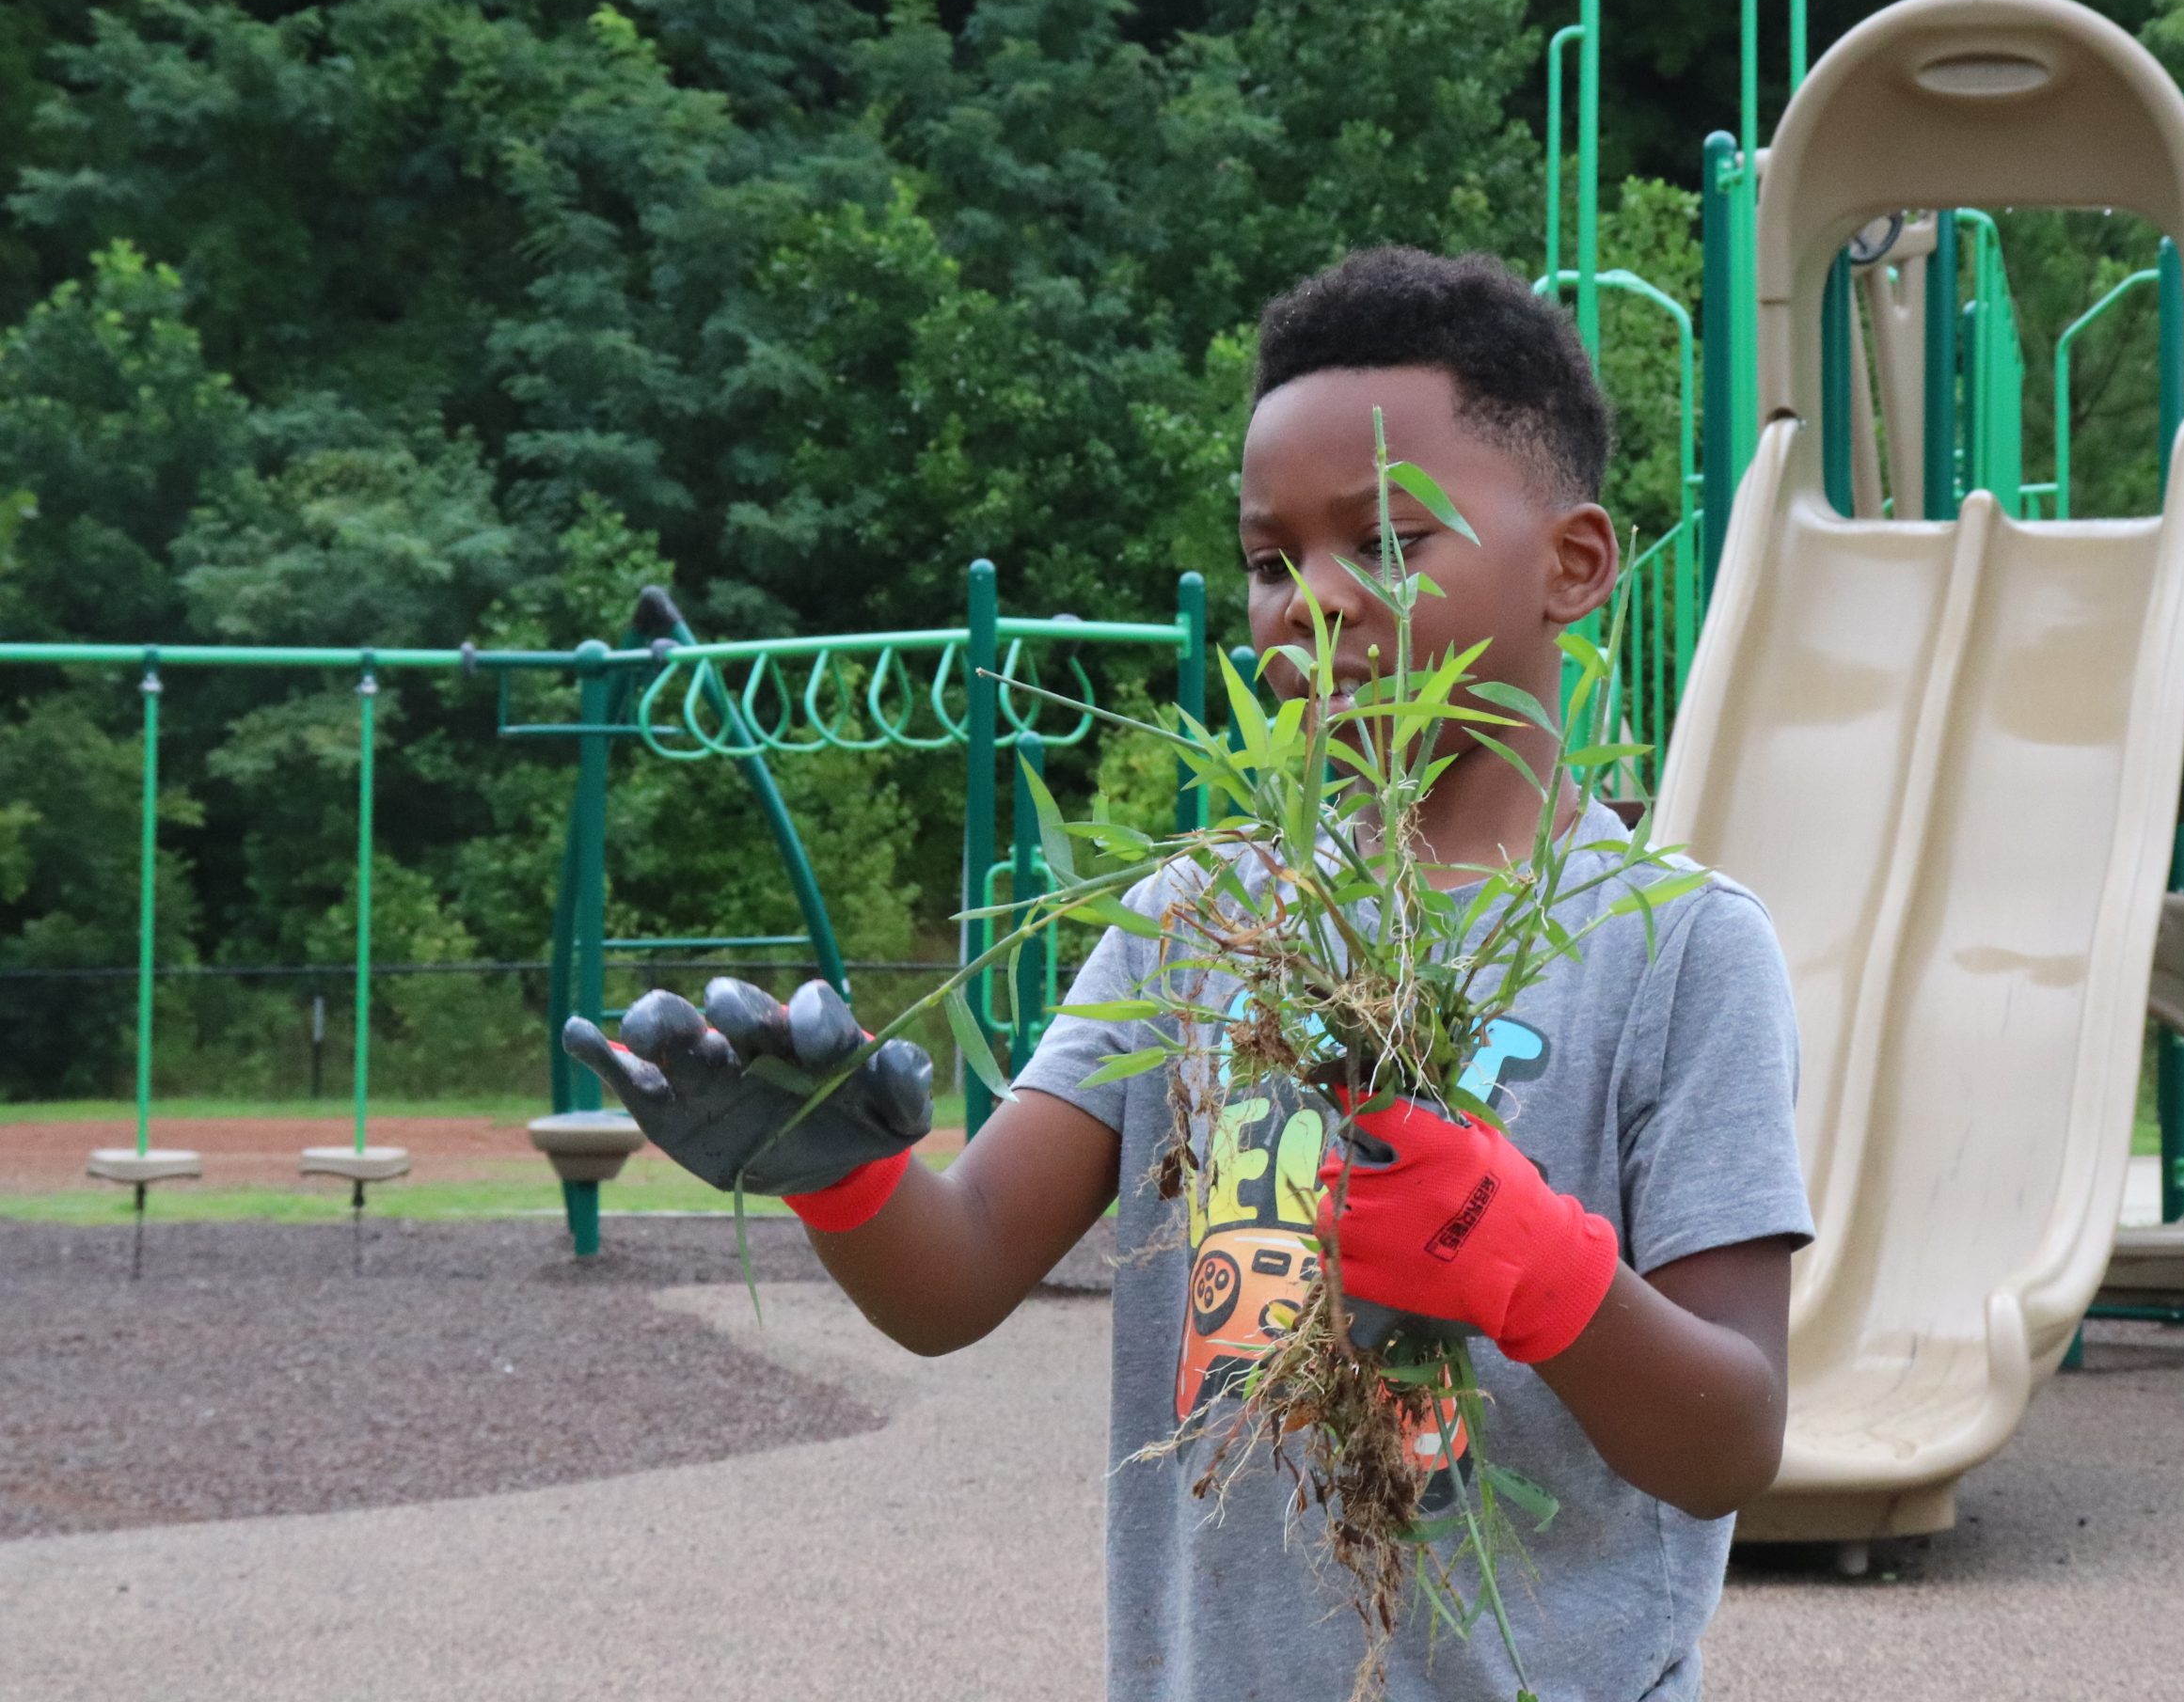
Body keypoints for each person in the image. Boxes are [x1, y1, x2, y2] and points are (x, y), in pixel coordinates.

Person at [568, 247, 1812, 1700]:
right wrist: (835, 1173)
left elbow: (1732, 1437)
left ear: (1574, 564)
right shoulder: (1196, 916)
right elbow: (954, 1276)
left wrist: (1526, 1259)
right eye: (1274, 561)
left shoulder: (1677, 947)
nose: (1314, 603)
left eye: (1390, 545)